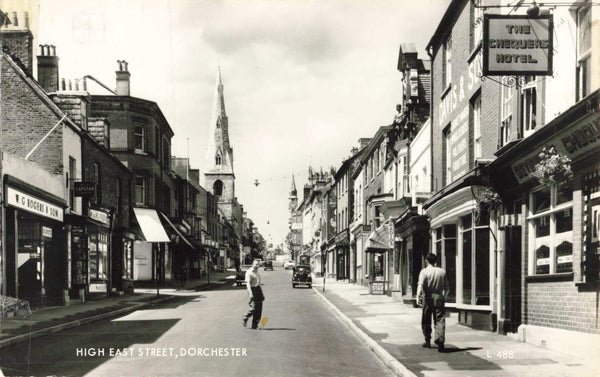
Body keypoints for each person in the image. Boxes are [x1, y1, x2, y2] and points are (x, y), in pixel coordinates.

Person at [416, 253, 450, 352]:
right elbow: (447, 288)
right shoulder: (441, 271)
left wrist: (418, 296)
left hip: (428, 297)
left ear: (427, 260)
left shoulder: (424, 271)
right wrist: (445, 297)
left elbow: (420, 284)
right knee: (440, 319)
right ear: (436, 261)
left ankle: (427, 340)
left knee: (426, 319)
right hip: (439, 297)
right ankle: (440, 342)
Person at [242, 260, 265, 329]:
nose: (257, 266)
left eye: (258, 265)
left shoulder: (257, 272)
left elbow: (258, 282)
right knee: (254, 308)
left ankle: (255, 325)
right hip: (252, 289)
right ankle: (246, 316)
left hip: (258, 289)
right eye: (256, 264)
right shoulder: (249, 272)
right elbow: (248, 284)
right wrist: (250, 293)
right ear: (252, 264)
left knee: (259, 308)